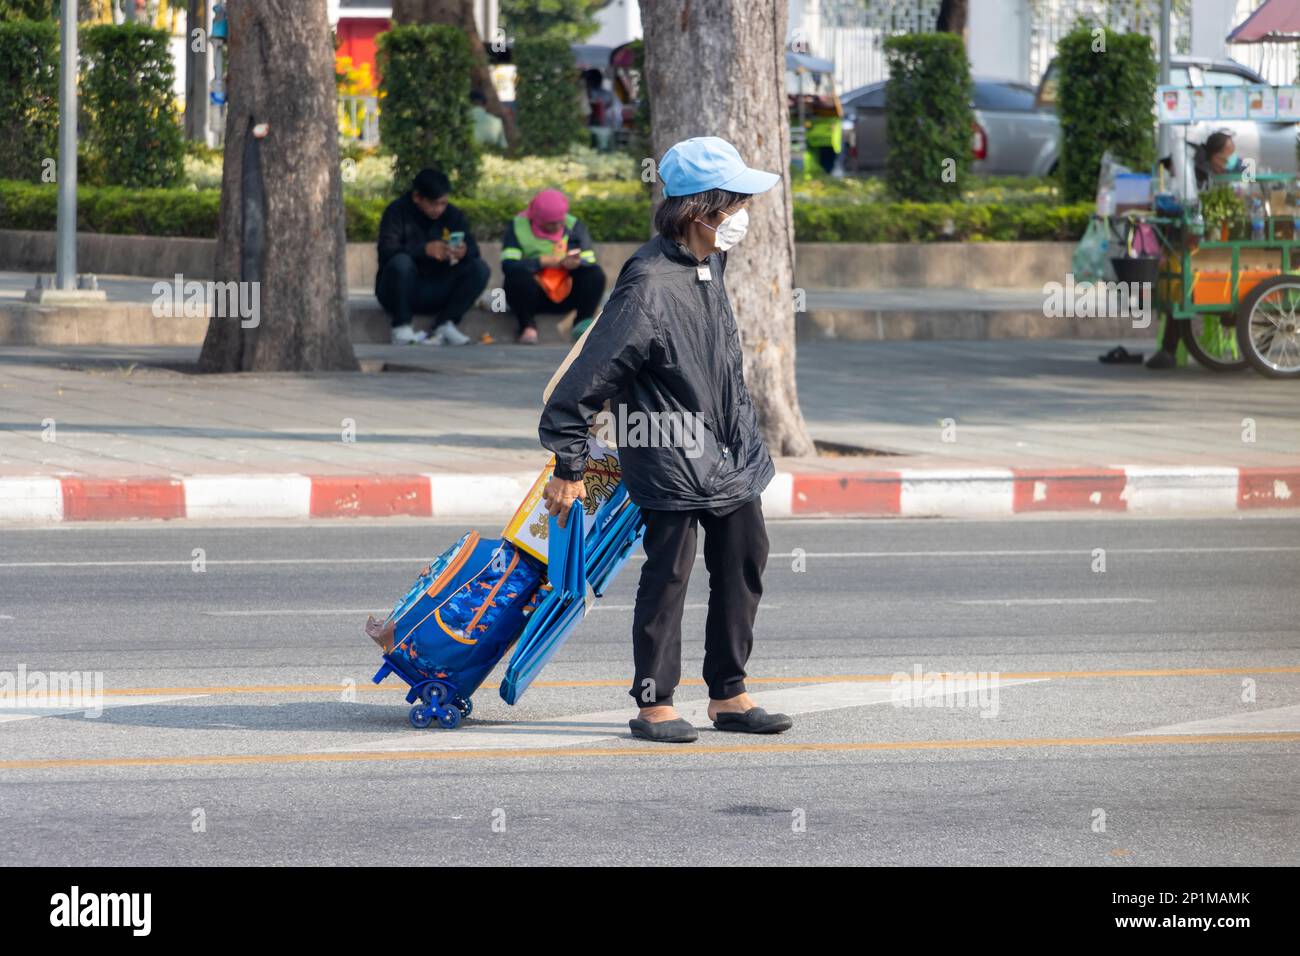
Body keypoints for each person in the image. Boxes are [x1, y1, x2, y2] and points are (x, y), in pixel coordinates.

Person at [537, 137, 794, 744]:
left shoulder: (709, 259)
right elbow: (585, 378)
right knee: (670, 574)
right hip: (671, 451)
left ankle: (729, 694)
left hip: (729, 448)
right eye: (734, 203)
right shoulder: (647, 285)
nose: (742, 216)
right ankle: (654, 702)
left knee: (744, 561)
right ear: (701, 211)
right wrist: (569, 463)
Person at [1146, 131, 1239, 369]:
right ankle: (1168, 349)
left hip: (1196, 242)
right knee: (1181, 291)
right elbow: (1189, 204)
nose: (1227, 164)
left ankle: (1169, 350)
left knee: (1186, 290)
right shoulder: (1192, 171)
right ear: (1213, 155)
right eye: (1224, 158)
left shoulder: (1211, 170)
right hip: (1185, 242)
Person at [375, 168, 489, 346]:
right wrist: (424, 250)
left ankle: (445, 323)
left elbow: (474, 251)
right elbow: (387, 251)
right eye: (433, 204)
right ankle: (401, 326)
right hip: (399, 290)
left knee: (479, 269)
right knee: (401, 263)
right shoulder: (397, 211)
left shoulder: (452, 215)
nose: (439, 209)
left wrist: (463, 252)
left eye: (443, 203)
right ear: (417, 197)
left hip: (438, 286)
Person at [500, 188, 606, 344]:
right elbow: (509, 265)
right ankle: (527, 327)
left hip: (568, 293)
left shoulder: (574, 225)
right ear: (538, 218)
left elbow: (589, 260)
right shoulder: (518, 226)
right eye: (551, 224)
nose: (557, 227)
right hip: (533, 296)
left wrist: (576, 263)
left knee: (595, 274)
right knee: (515, 277)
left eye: (560, 221)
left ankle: (582, 324)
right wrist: (542, 262)